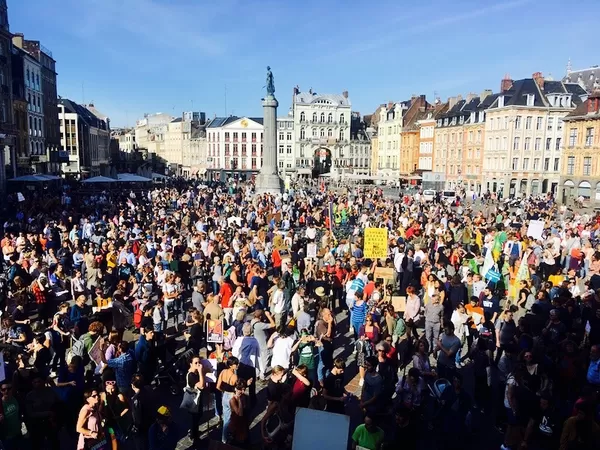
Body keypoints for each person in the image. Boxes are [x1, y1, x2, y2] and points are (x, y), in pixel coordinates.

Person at [185, 355, 205, 446]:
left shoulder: (195, 373)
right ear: (190, 364)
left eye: (199, 362)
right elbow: (201, 385)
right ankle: (194, 436)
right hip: (194, 401)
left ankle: (193, 431)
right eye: (195, 363)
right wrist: (201, 372)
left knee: (198, 416)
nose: (198, 364)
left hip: (197, 399)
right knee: (195, 419)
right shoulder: (191, 375)